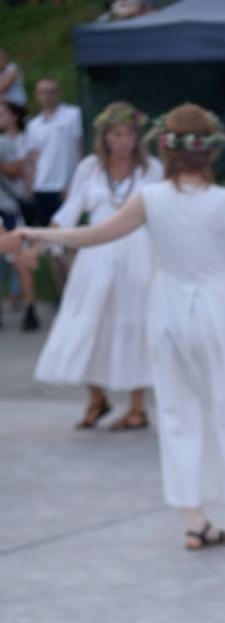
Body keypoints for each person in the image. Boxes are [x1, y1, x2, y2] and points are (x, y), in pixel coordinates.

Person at [22, 104, 225, 551]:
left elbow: (92, 235)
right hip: (216, 307)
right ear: (211, 151)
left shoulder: (150, 198)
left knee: (176, 408)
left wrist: (37, 234)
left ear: (166, 149)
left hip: (165, 309)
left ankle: (194, 520)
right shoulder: (224, 201)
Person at [33, 103, 163, 430]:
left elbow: (163, 215)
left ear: (137, 137)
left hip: (138, 255)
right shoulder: (90, 168)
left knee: (133, 325)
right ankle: (96, 397)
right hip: (96, 254)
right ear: (104, 137)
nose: (123, 141)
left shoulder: (151, 170)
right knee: (90, 323)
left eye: (129, 134)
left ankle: (137, 407)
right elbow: (69, 210)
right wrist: (42, 240)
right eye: (116, 134)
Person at [25, 78, 83, 282]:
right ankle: (62, 293)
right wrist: (32, 186)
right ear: (37, 96)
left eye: (51, 91)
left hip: (65, 187)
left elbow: (79, 148)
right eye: (43, 92)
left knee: (69, 240)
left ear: (59, 93)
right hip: (43, 188)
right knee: (50, 244)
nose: (48, 96)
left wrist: (75, 184)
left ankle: (77, 288)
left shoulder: (72, 115)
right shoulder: (33, 125)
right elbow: (33, 158)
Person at [0, 99, 36, 330]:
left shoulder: (5, 142)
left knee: (19, 259)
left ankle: (30, 310)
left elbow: (16, 172)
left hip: (7, 210)